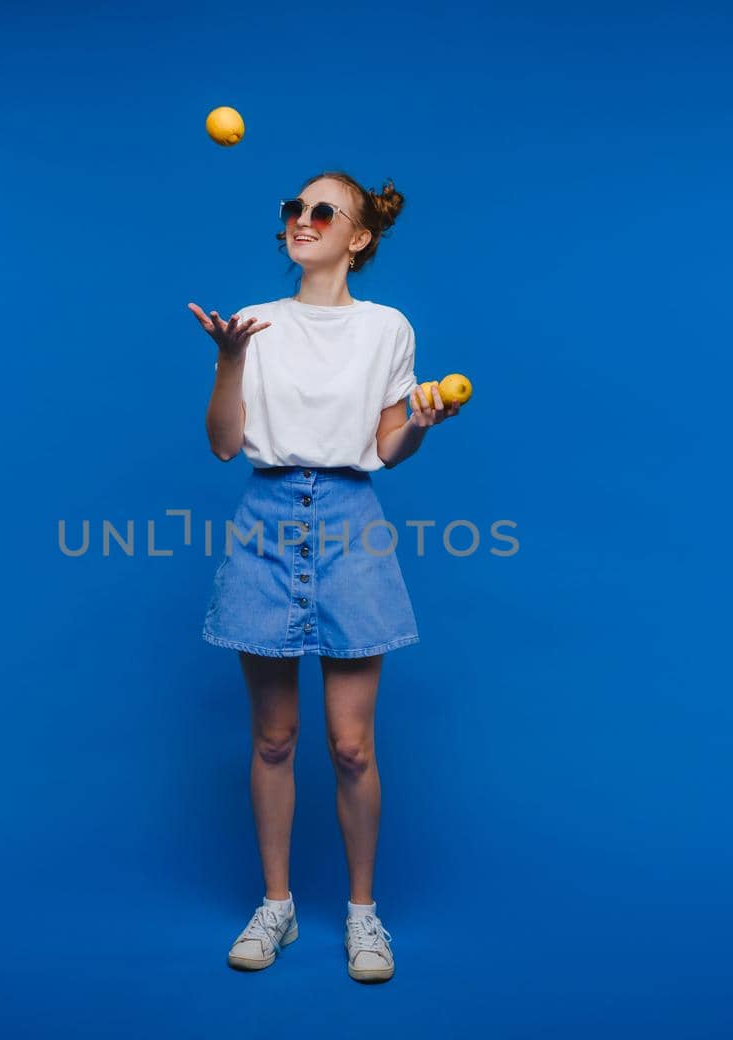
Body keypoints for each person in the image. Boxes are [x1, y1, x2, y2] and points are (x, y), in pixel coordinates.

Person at [187, 171, 462, 983]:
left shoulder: (388, 329)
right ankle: (277, 906)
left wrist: (417, 423)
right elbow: (223, 444)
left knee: (351, 745)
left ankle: (362, 914)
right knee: (273, 738)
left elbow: (385, 450)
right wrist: (229, 361)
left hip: (351, 524)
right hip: (266, 521)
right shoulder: (256, 322)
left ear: (359, 236)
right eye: (293, 210)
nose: (301, 221)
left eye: (321, 212)